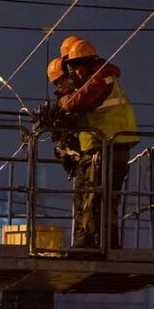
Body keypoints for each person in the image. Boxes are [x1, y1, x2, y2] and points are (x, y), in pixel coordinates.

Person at [53, 38, 139, 248]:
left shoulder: (101, 77)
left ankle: (93, 245)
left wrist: (63, 102)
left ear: (86, 63)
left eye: (75, 67)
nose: (74, 74)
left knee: (95, 199)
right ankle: (98, 245)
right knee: (94, 199)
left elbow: (79, 101)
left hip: (106, 147)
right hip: (102, 147)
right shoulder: (97, 77)